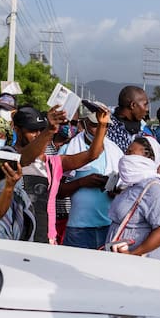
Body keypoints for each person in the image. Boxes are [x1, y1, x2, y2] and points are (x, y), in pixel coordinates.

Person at [16, 104, 108, 244]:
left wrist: (102, 125)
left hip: (46, 236)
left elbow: (92, 155)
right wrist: (49, 130)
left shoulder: (53, 163)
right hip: (18, 234)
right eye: (32, 130)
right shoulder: (9, 156)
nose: (38, 135)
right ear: (16, 130)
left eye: (41, 130)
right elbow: (24, 159)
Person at [105, 136, 160, 261]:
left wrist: (134, 254)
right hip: (123, 257)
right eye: (126, 152)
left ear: (148, 159)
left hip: (143, 260)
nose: (126, 157)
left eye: (131, 153)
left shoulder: (154, 188)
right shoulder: (131, 184)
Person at [58, 101, 123, 249]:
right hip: (78, 229)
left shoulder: (115, 152)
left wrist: (115, 190)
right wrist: (81, 182)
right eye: (95, 125)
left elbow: (125, 189)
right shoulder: (68, 151)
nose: (100, 129)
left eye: (104, 125)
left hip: (108, 226)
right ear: (84, 124)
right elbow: (57, 191)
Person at [106, 86, 153, 154]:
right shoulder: (107, 128)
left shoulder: (144, 129)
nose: (147, 109)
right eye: (145, 105)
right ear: (133, 105)